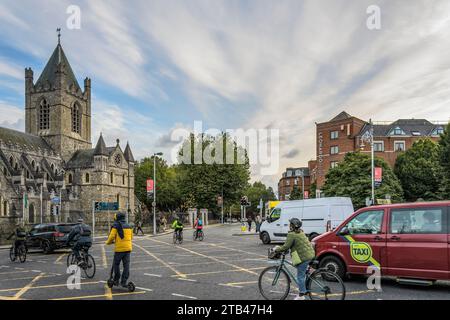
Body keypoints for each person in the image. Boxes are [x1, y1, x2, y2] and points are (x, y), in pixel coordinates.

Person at [274, 218, 315, 300]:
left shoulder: (292, 234)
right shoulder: (301, 232)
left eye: (290, 224)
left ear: (292, 226)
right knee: (303, 273)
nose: (289, 226)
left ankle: (301, 294)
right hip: (310, 254)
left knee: (300, 276)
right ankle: (305, 287)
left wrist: (276, 249)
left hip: (304, 257)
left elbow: (286, 246)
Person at [106, 212, 133, 287]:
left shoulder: (116, 226)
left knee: (116, 264)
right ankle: (124, 281)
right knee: (126, 265)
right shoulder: (129, 226)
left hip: (119, 249)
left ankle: (116, 279)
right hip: (128, 248)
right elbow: (131, 237)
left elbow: (111, 237)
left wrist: (108, 242)